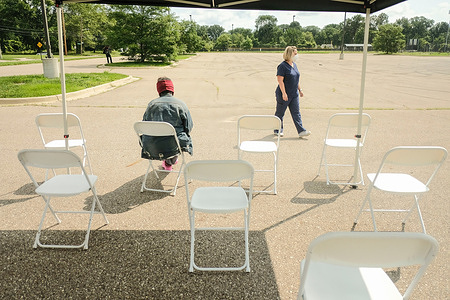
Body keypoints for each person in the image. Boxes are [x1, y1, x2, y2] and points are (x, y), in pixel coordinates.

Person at [141, 77, 193, 171]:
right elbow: (189, 126)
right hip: (174, 145)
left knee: (163, 137)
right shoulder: (180, 104)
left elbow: (145, 125)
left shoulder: (151, 104)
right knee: (177, 137)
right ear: (172, 90)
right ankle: (171, 160)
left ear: (159, 91)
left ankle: (168, 161)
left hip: (153, 145)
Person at [274, 46, 311, 138]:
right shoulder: (282, 66)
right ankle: (278, 130)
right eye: (295, 53)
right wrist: (284, 93)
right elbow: (280, 80)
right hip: (284, 94)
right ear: (290, 54)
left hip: (294, 94)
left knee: (296, 113)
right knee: (280, 113)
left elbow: (296, 79)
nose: (297, 55)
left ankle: (301, 131)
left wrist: (300, 89)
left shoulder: (294, 65)